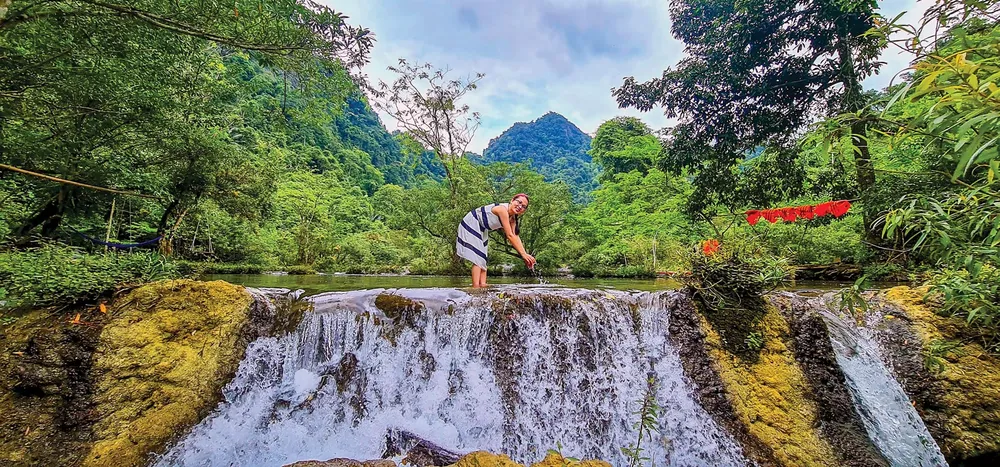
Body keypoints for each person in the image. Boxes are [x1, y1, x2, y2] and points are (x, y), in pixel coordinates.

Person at [456, 193, 536, 287]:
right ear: (512, 200)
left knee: (483, 258)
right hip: (472, 222)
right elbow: (509, 235)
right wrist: (523, 255)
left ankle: (483, 284)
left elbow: (515, 236)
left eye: (523, 206)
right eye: (519, 202)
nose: (520, 206)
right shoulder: (502, 210)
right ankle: (475, 287)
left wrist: (525, 254)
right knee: (478, 257)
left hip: (482, 228)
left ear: (524, 211)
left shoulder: (513, 219)